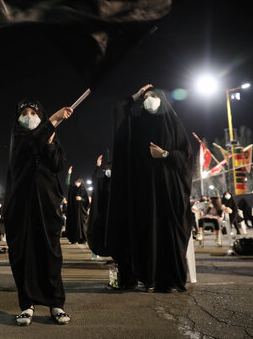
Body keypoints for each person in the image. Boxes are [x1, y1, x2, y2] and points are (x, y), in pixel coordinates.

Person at [107, 84, 193, 292]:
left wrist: (165, 154)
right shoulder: (137, 125)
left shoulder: (173, 125)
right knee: (146, 233)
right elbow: (120, 111)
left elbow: (187, 156)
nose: (149, 99)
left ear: (162, 99)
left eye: (153, 96)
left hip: (168, 192)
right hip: (143, 192)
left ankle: (167, 278)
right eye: (146, 97)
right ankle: (148, 278)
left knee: (167, 234)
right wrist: (134, 96)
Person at [5, 98, 73, 326]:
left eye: (34, 113)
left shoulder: (47, 136)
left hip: (47, 207)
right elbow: (30, 146)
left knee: (50, 254)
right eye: (24, 113)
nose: (29, 116)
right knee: (24, 255)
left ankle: (56, 303)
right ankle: (27, 305)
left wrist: (51, 143)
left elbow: (57, 164)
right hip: (21, 208)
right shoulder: (19, 137)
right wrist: (53, 120)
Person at [87, 155, 113, 256]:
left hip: (112, 214)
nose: (108, 171)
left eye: (110, 169)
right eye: (106, 169)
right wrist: (97, 166)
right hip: (102, 213)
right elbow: (93, 177)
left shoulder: (116, 182)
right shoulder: (101, 181)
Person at [65, 171, 88, 244]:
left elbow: (87, 201)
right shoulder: (73, 189)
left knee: (82, 226)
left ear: (81, 183)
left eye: (78, 182)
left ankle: (82, 239)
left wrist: (81, 199)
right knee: (74, 224)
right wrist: (69, 174)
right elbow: (67, 184)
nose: (77, 183)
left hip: (81, 212)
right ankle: (74, 239)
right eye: (76, 181)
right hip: (74, 211)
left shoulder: (84, 191)